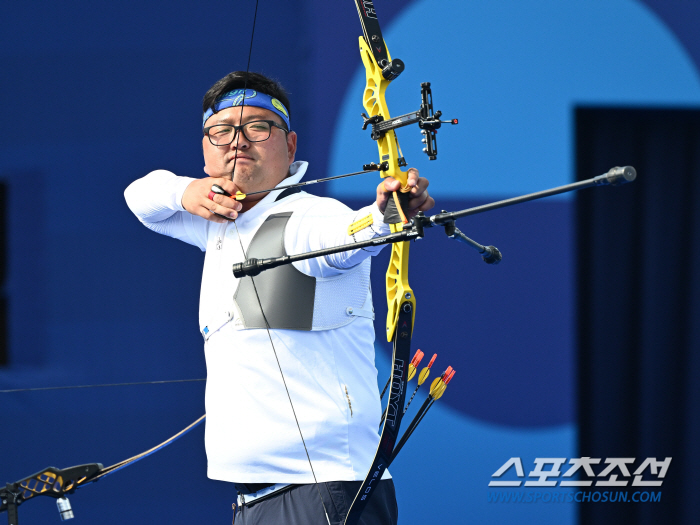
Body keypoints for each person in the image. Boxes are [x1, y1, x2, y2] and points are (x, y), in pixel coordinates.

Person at [124, 71, 434, 525]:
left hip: (324, 495)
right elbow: (139, 197)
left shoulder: (308, 216)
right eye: (222, 130)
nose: (238, 141)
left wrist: (390, 211)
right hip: (258, 500)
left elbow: (355, 233)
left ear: (289, 146)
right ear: (206, 146)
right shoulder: (217, 221)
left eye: (257, 127)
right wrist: (185, 191)